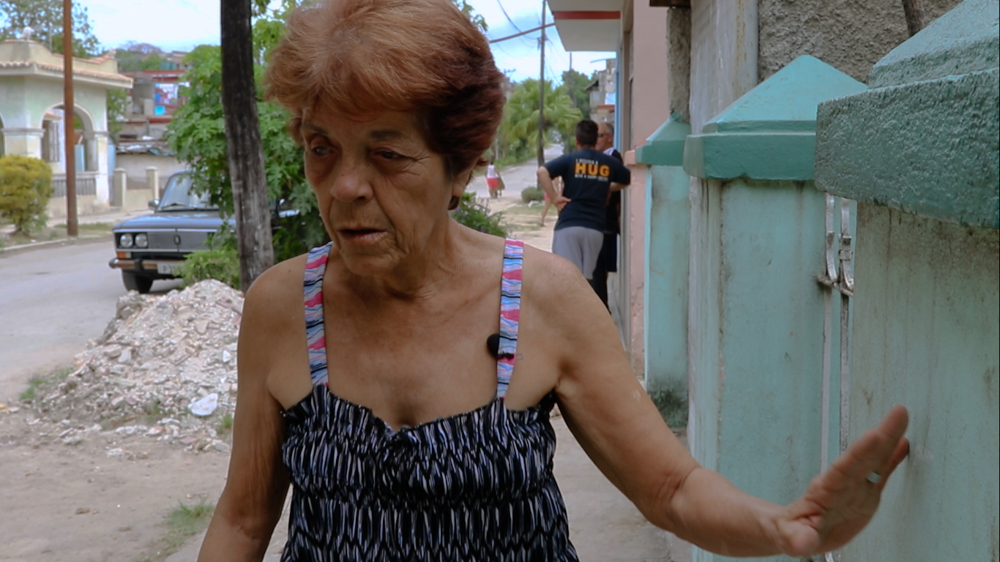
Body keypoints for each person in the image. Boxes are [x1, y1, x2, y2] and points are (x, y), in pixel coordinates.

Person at [198, 0, 910, 560]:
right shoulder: (282, 308)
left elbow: (671, 487)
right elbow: (241, 519)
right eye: (322, 150)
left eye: (387, 154)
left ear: (463, 167)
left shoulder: (541, 299)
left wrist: (786, 527)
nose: (345, 186)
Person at [537, 119, 631, 297]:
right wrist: (606, 187)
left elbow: (542, 172)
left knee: (565, 278)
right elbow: (628, 178)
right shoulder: (607, 162)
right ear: (596, 139)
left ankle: (566, 321)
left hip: (569, 225)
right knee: (586, 282)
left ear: (576, 140)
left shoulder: (571, 159)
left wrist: (556, 198)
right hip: (595, 229)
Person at [591, 121, 623, 308]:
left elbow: (623, 180)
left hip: (606, 221)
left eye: (600, 135)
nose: (597, 140)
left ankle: (601, 308)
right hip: (600, 221)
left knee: (599, 268)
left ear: (610, 137)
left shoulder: (613, 158)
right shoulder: (598, 158)